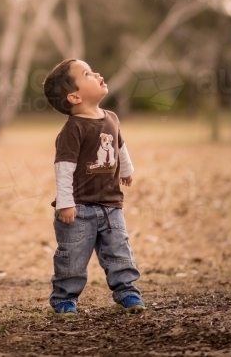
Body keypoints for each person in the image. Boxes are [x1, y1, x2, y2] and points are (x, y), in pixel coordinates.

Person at [42, 58, 146, 315]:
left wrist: (127, 169)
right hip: (79, 209)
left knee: (119, 251)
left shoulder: (111, 117)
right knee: (72, 258)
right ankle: (64, 298)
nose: (97, 73)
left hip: (111, 203)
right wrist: (65, 203)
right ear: (75, 97)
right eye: (87, 73)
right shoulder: (73, 129)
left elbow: (120, 146)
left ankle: (127, 292)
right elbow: (64, 168)